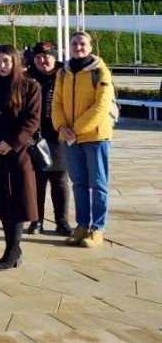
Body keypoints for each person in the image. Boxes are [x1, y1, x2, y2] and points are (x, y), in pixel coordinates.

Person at [0, 44, 41, 270]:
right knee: (3, 201)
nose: (2, 66)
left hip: (18, 154)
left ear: (15, 62)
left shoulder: (29, 87)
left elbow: (32, 121)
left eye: (6, 61)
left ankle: (11, 250)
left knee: (18, 201)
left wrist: (11, 143)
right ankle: (13, 248)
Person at [52, 31, 115, 248]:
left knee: (98, 185)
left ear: (90, 46)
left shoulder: (100, 72)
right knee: (79, 183)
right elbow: (56, 103)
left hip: (96, 136)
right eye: (74, 44)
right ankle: (82, 225)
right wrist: (61, 126)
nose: (78, 47)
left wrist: (75, 129)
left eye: (82, 44)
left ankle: (97, 228)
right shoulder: (63, 73)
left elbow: (101, 106)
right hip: (71, 138)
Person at [25, 41, 72, 236]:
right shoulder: (28, 78)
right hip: (36, 136)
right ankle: (37, 221)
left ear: (54, 57)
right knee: (38, 180)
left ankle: (62, 221)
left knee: (60, 180)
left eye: (46, 56)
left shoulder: (65, 75)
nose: (43, 60)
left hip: (59, 135)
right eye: (38, 57)